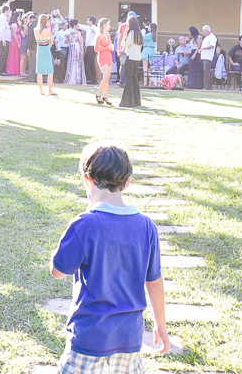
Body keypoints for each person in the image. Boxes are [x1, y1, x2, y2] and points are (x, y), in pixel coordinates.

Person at [50, 141, 170, 372]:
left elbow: (57, 272)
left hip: (88, 337)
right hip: (130, 338)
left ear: (87, 180)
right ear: (127, 183)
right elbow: (154, 281)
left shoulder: (84, 224)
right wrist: (160, 325)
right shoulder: (147, 226)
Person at [119, 15, 143, 108]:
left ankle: (128, 101)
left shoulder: (131, 33)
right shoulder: (139, 33)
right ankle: (136, 100)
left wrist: (125, 36)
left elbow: (126, 43)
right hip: (137, 58)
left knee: (128, 78)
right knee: (134, 79)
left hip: (130, 57)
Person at [35, 14, 56, 96]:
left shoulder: (35, 30)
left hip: (39, 49)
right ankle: (50, 90)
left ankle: (41, 91)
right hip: (46, 49)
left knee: (40, 72)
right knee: (50, 71)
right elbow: (51, 41)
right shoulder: (47, 30)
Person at [94, 19, 114, 106]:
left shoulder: (107, 35)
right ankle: (98, 94)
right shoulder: (99, 36)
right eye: (108, 24)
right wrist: (107, 48)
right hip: (102, 57)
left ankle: (105, 96)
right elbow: (96, 49)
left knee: (107, 78)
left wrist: (111, 47)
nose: (109, 26)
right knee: (105, 77)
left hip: (108, 56)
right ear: (104, 26)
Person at [63, 19, 86, 86]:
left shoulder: (72, 32)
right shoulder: (75, 32)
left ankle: (74, 78)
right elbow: (80, 42)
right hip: (75, 47)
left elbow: (66, 41)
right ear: (75, 25)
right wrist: (82, 50)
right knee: (74, 62)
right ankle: (75, 79)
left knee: (74, 62)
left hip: (72, 47)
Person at [199, 25, 218, 91]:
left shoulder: (212, 37)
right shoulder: (206, 37)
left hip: (208, 57)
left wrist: (203, 48)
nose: (203, 32)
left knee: (206, 71)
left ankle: (207, 86)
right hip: (203, 56)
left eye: (203, 31)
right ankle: (205, 85)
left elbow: (212, 46)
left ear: (206, 30)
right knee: (204, 71)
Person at [84, 18, 99, 85]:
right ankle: (91, 78)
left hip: (92, 47)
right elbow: (81, 26)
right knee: (89, 63)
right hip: (88, 47)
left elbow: (99, 34)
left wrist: (95, 33)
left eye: (88, 20)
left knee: (89, 63)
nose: (87, 21)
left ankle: (91, 78)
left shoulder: (95, 28)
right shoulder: (88, 28)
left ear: (91, 21)